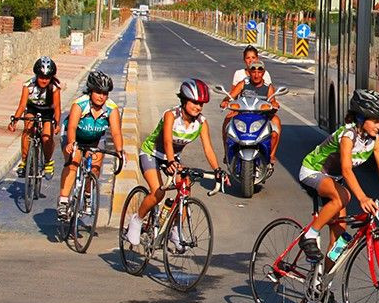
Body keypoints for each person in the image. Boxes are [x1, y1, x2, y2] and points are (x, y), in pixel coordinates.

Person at [297, 89, 379, 265]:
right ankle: (309, 236)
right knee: (344, 196)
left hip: (334, 179)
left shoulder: (375, 141)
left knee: (339, 243)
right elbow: (347, 170)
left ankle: (322, 284)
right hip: (312, 171)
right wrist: (362, 198)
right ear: (361, 118)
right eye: (376, 121)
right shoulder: (348, 136)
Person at [125, 78, 226, 246]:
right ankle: (137, 220)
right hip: (152, 153)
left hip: (173, 158)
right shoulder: (171, 115)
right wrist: (171, 161)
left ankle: (175, 229)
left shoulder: (201, 123)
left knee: (185, 189)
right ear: (184, 100)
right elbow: (166, 142)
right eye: (194, 102)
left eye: (201, 104)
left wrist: (217, 170)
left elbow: (208, 149)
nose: (198, 107)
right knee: (158, 192)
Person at [57, 71, 125, 219]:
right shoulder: (80, 104)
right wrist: (71, 143)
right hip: (73, 135)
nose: (102, 96)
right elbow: (72, 127)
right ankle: (63, 201)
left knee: (94, 168)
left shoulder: (111, 109)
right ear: (90, 90)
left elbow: (116, 133)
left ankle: (87, 195)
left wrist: (120, 151)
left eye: (105, 93)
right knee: (73, 162)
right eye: (98, 92)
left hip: (95, 138)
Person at [9, 57, 62, 179]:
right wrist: (15, 120)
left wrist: (57, 124)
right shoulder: (29, 85)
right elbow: (22, 105)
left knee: (46, 137)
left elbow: (57, 108)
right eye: (41, 77)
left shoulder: (54, 87)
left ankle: (48, 162)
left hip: (48, 111)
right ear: (36, 75)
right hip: (32, 109)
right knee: (28, 128)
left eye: (47, 78)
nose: (44, 80)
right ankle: (24, 161)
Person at [223, 60, 281, 168]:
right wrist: (226, 101)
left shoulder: (268, 87)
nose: (256, 74)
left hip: (262, 116)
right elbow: (231, 96)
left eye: (259, 72)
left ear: (263, 73)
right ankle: (226, 152)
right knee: (227, 120)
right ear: (249, 72)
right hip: (243, 115)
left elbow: (273, 101)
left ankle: (271, 155)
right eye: (253, 71)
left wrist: (274, 105)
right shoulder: (244, 83)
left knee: (275, 128)